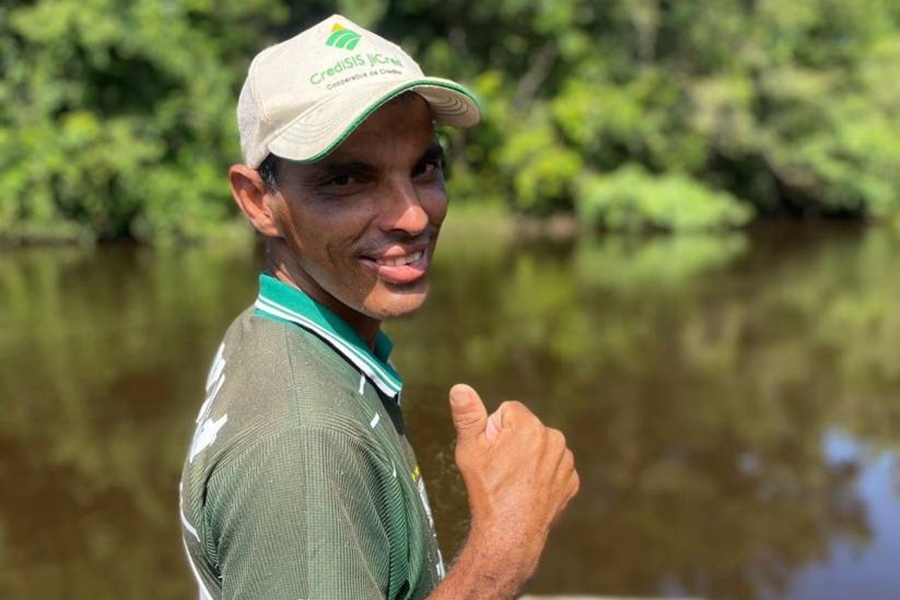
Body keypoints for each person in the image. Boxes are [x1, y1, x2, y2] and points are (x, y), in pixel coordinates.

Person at [179, 14, 579, 600]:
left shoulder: (272, 334)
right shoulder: (306, 448)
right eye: (346, 180)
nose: (414, 215)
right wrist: (504, 550)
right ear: (258, 201)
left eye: (424, 167)